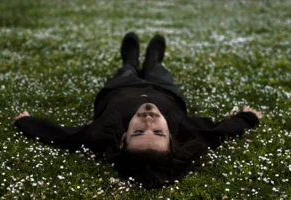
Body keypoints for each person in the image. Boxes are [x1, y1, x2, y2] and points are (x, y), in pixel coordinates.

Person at [14, 32, 263, 188]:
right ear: (172, 139)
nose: (148, 121)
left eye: (137, 133)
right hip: (164, 90)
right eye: (158, 133)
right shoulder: (188, 131)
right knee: (158, 71)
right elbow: (220, 132)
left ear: (122, 139)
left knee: (126, 71)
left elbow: (63, 137)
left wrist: (27, 123)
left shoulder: (99, 134)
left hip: (120, 88)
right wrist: (248, 117)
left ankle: (130, 61)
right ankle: (154, 60)